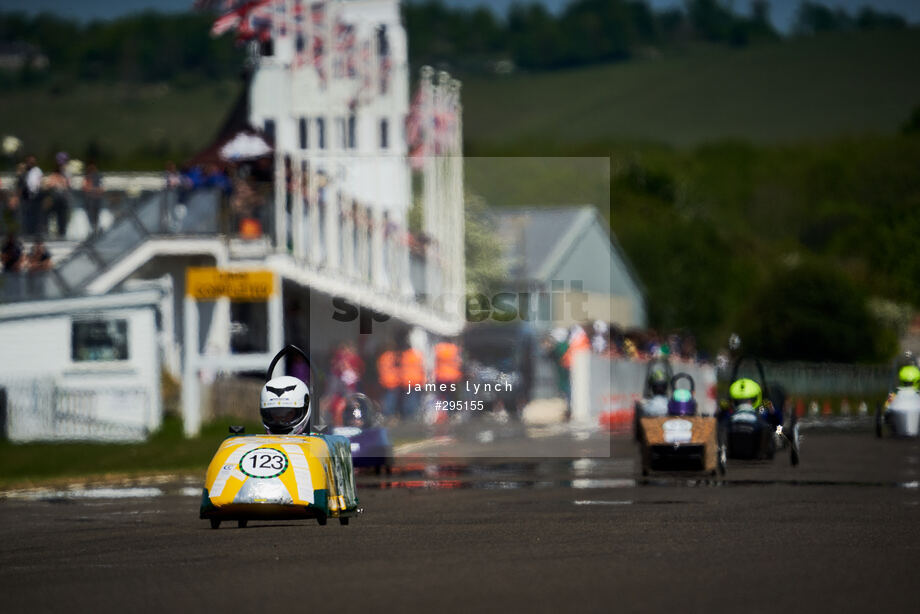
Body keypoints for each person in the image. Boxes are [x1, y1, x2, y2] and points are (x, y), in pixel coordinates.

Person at [400, 342, 426, 419]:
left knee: (408, 398)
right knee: (414, 398)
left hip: (406, 380)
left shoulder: (404, 355)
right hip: (417, 380)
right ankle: (413, 413)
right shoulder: (418, 355)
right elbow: (422, 368)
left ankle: (408, 413)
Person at [376, 342, 401, 419]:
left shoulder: (382, 357)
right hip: (392, 381)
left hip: (384, 380)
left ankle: (385, 413)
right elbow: (396, 367)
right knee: (390, 399)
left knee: (386, 397)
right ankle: (388, 414)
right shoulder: (392, 357)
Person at [81, 161, 103, 237]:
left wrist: (92, 189)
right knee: (90, 216)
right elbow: (85, 188)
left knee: (96, 215)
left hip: (96, 199)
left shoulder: (99, 177)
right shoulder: (87, 177)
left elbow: (101, 189)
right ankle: (93, 230)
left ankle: (96, 229)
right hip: (89, 200)